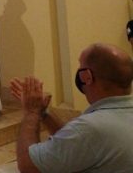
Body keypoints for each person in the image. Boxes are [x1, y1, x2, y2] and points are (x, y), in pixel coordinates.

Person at [12, 43, 133, 173]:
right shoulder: (101, 123)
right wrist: (43, 113)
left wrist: (32, 112)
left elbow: (29, 166)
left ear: (87, 77)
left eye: (80, 66)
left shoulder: (91, 127)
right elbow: (74, 143)